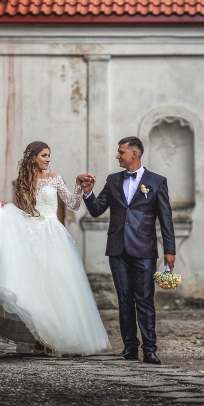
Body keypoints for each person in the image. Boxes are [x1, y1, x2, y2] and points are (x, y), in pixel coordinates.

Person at [0, 141, 110, 356]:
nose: (48, 159)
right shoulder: (23, 181)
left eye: (49, 155)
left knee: (53, 285)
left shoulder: (55, 178)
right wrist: (4, 208)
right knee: (34, 287)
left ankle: (54, 339)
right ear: (33, 157)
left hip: (53, 236)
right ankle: (39, 339)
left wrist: (78, 185)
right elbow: (22, 212)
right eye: (44, 155)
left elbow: (74, 204)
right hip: (30, 235)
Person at [81, 136, 175, 365]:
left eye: (121, 152)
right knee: (124, 300)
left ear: (135, 154)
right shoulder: (113, 180)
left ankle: (150, 349)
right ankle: (130, 348)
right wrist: (87, 193)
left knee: (144, 300)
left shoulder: (157, 181)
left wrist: (169, 250)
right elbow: (96, 210)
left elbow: (166, 218)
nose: (117, 156)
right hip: (117, 249)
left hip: (144, 249)